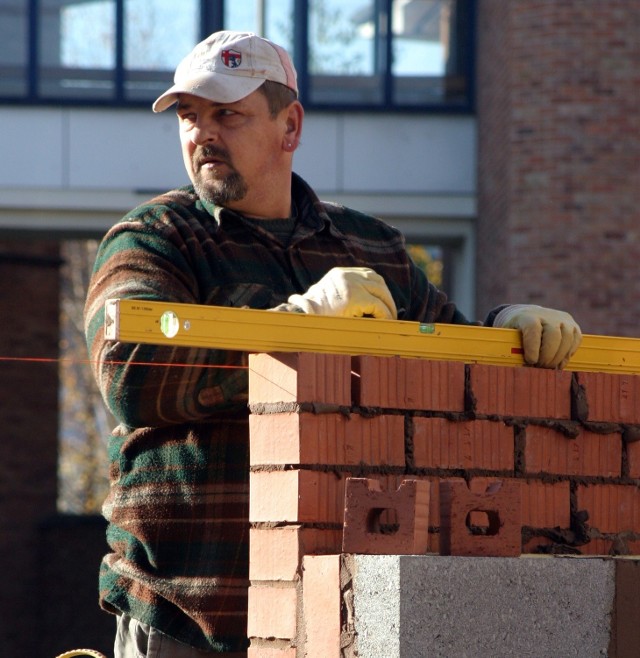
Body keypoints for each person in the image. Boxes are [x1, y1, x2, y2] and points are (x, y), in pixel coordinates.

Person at [84, 30, 582, 656]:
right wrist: (299, 325)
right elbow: (131, 375)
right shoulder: (155, 239)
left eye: (227, 114)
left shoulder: (369, 247)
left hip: (333, 609)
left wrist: (510, 329)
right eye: (190, 116)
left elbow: (450, 357)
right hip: (186, 613)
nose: (202, 134)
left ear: (288, 126)